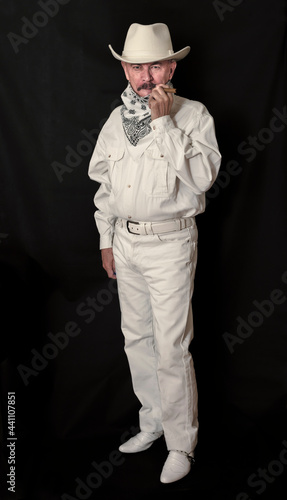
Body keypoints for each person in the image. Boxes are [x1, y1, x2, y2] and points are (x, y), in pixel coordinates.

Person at [88, 22, 221, 484]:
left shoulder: (193, 115)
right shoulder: (114, 121)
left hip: (170, 244)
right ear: (125, 69)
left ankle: (181, 443)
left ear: (171, 66)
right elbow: (106, 186)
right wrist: (106, 239)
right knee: (137, 340)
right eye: (137, 66)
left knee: (170, 347)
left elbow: (202, 179)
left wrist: (164, 124)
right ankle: (152, 423)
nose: (146, 76)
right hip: (126, 243)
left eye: (155, 65)